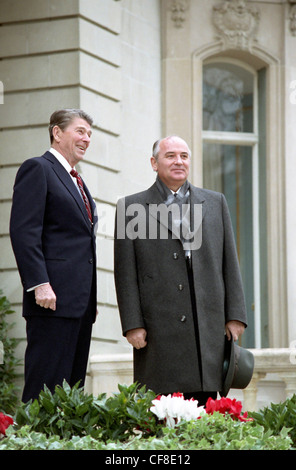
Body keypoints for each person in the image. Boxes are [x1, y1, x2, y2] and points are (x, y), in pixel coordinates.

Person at [114, 135, 247, 406]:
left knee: (206, 416)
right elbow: (125, 272)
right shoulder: (130, 207)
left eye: (184, 156)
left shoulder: (215, 202)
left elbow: (229, 261)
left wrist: (235, 315)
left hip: (207, 328)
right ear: (154, 163)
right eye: (170, 155)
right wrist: (132, 324)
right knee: (161, 416)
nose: (179, 161)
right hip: (158, 330)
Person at [10, 109, 98, 402]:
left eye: (89, 133)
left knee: (71, 393)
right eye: (80, 131)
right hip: (50, 300)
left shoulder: (78, 181)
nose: (86, 139)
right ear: (57, 133)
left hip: (78, 304)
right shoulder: (38, 168)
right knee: (44, 388)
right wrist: (39, 283)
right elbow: (24, 232)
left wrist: (89, 297)